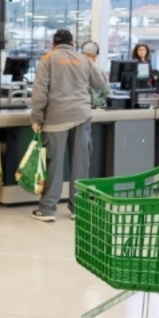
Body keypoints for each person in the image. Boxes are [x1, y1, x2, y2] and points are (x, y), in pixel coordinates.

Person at [30, 30, 108, 222]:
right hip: (82, 115)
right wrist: (91, 64)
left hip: (56, 118)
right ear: (73, 42)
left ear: (53, 43)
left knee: (54, 164)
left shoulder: (48, 58)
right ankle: (78, 208)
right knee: (80, 162)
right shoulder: (84, 59)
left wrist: (36, 118)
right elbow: (101, 82)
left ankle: (48, 210)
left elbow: (40, 92)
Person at [80, 41, 109, 109]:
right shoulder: (77, 72)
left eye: (93, 56)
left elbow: (107, 93)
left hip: (98, 109)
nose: (91, 59)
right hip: (82, 109)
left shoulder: (101, 72)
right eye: (88, 56)